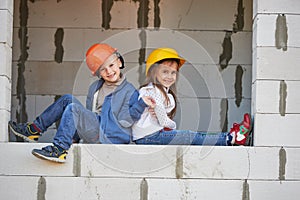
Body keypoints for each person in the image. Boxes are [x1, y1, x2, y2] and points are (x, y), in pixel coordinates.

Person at [9, 43, 153, 163]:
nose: (109, 71)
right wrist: (75, 137)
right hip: (95, 128)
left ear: (119, 62)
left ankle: (59, 149)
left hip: (108, 135)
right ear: (97, 73)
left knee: (73, 109)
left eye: (111, 65)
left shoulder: (130, 92)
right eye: (103, 69)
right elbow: (86, 117)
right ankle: (34, 129)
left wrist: (141, 104)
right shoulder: (95, 88)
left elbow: (127, 120)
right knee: (67, 99)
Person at [133, 47, 252, 146]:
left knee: (194, 136)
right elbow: (163, 120)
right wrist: (171, 125)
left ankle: (231, 137)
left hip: (153, 135)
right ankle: (231, 138)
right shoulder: (151, 90)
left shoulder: (165, 94)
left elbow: (162, 118)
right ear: (153, 72)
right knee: (189, 136)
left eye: (173, 72)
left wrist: (165, 120)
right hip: (148, 137)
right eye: (165, 71)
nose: (170, 76)